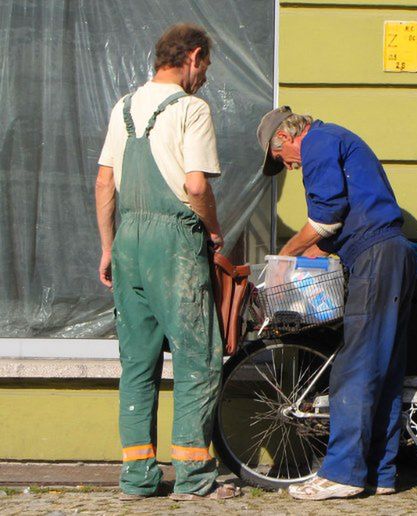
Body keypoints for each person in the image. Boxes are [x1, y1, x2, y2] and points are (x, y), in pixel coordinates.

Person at [94, 23, 238, 500]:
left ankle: (137, 478)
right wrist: (213, 229)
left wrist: (108, 247)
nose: (205, 78)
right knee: (199, 357)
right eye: (206, 67)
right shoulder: (190, 109)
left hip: (129, 239)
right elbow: (196, 186)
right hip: (173, 241)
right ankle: (195, 477)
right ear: (192, 57)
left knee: (137, 365)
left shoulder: (122, 107)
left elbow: (103, 183)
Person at [257, 107, 417, 500]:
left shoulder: (317, 143)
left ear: (286, 138)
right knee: (385, 367)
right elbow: (341, 218)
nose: (291, 168)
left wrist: (285, 257)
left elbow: (327, 215)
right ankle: (380, 473)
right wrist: (318, 248)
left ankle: (342, 474)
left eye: (283, 160)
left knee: (355, 365)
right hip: (394, 255)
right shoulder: (337, 139)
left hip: (375, 258)